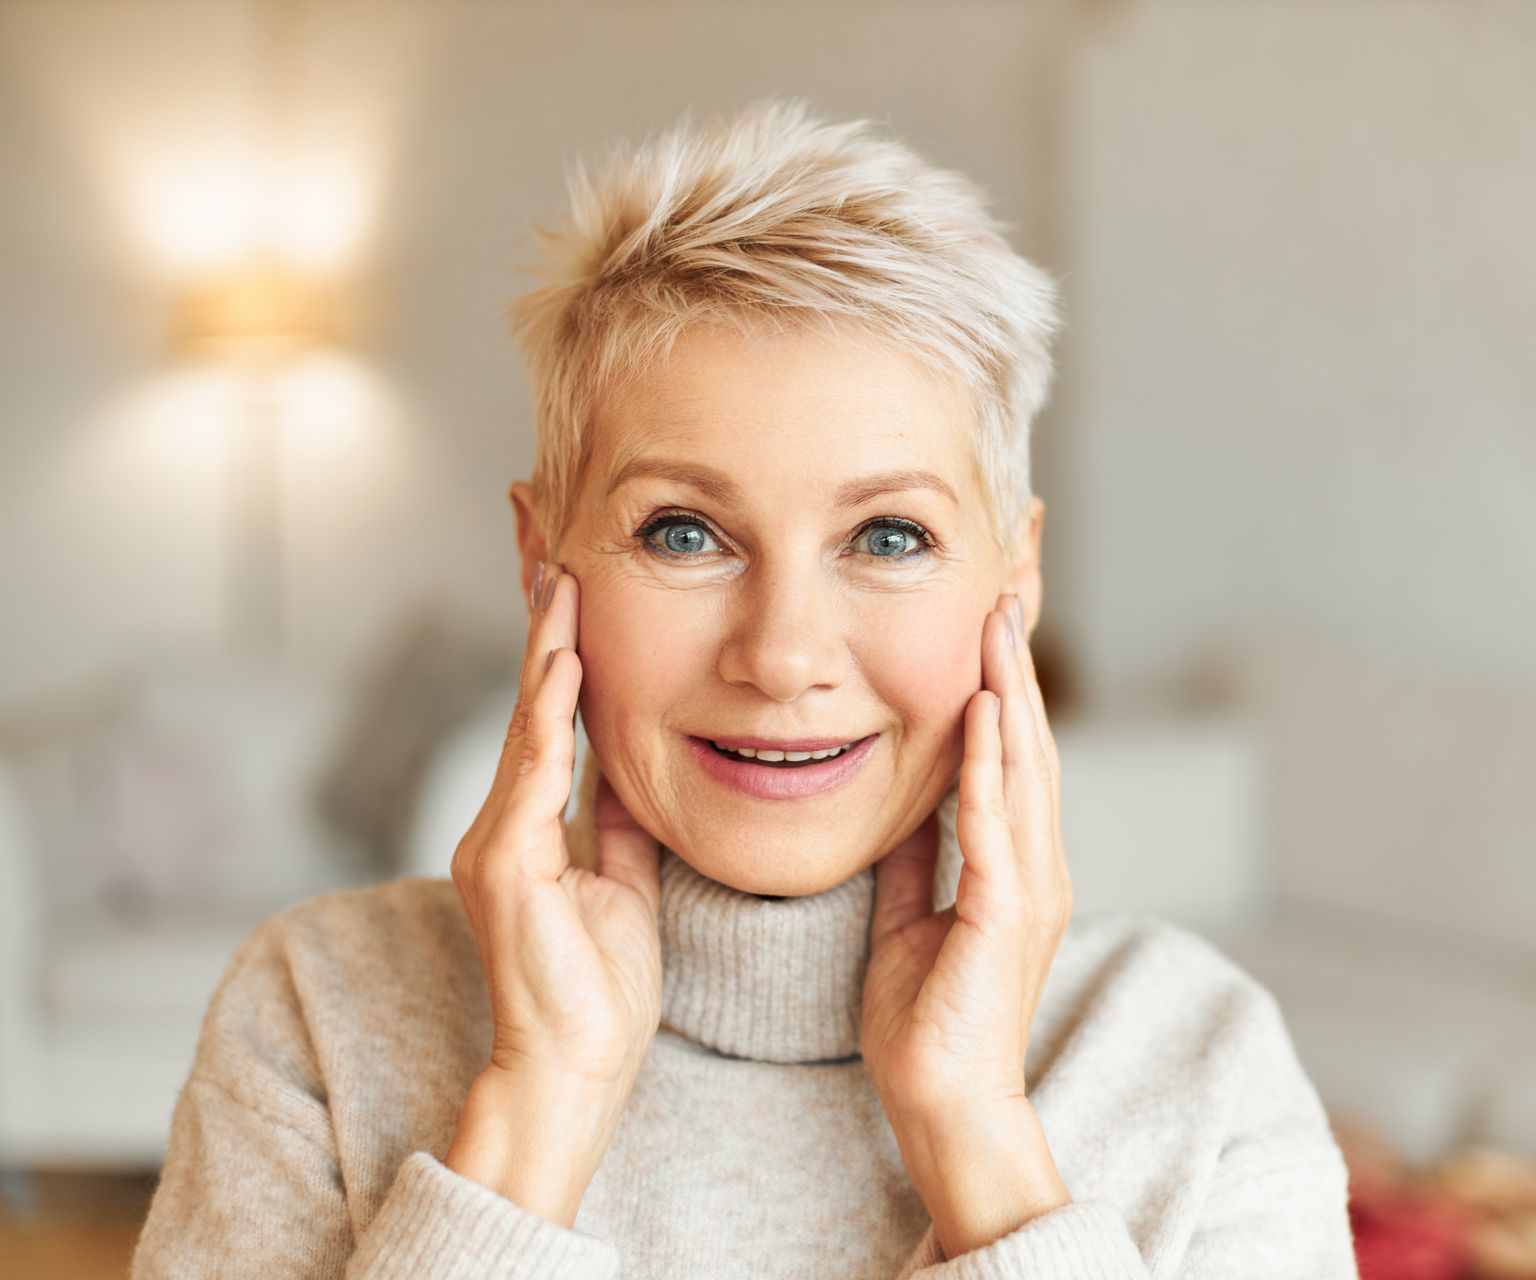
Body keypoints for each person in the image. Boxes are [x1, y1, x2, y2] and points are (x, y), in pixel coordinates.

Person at [130, 97, 1359, 1277]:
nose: (781, 654)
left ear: (1016, 577)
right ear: (538, 558)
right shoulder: (320, 1009)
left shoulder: (1200, 1060)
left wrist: (978, 1139)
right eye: (681, 532)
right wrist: (536, 1111)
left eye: (887, 535)